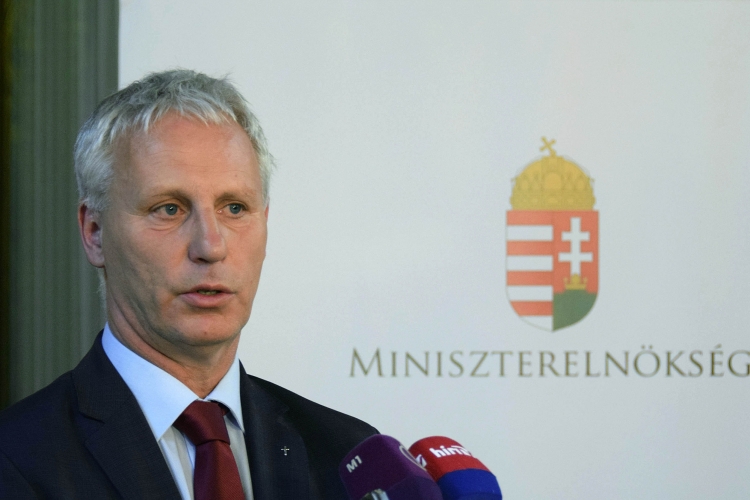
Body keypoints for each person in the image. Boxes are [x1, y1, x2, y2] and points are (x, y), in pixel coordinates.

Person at [0, 69, 377, 499]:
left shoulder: (350, 458)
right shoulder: (15, 461)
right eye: (169, 209)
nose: (210, 246)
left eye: (234, 208)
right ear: (95, 232)